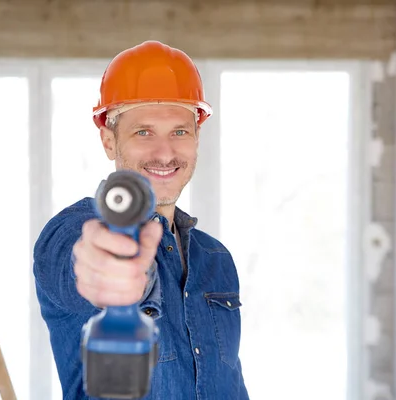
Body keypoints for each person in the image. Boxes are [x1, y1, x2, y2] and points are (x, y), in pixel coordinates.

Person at [33, 40, 249, 399]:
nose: (164, 153)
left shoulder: (216, 258)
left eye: (179, 131)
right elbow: (78, 257)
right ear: (108, 141)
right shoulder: (75, 229)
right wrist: (107, 270)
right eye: (143, 132)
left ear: (197, 137)